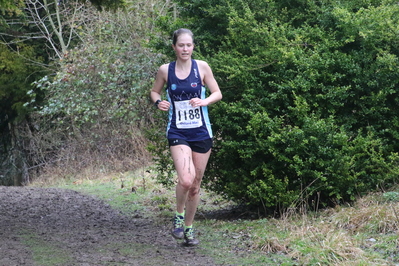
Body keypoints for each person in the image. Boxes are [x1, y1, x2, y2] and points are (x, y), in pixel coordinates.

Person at [150, 28, 222, 246]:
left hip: (201, 131)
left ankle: (189, 230)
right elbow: (154, 92)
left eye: (188, 45)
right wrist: (158, 102)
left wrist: (205, 101)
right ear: (174, 47)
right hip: (177, 131)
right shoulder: (165, 70)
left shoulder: (202, 67)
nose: (185, 49)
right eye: (181, 45)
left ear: (193, 47)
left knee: (195, 185)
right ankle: (178, 217)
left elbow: (217, 92)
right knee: (186, 179)